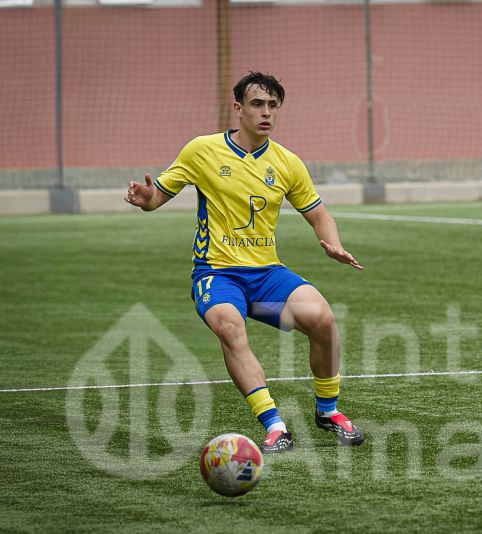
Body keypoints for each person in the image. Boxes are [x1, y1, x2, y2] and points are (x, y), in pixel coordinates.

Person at [124, 71, 365, 453]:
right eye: (257, 104)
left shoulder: (287, 163)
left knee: (324, 319)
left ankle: (327, 411)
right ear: (238, 108)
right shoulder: (202, 150)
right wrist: (146, 197)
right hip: (217, 274)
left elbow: (319, 214)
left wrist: (331, 244)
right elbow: (158, 197)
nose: (266, 112)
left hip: (267, 276)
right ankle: (274, 425)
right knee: (231, 328)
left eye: (273, 105)